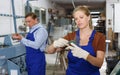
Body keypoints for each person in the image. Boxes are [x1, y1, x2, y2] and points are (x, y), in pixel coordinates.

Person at [47, 5, 106, 75]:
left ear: (88, 17)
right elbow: (49, 51)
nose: (78, 21)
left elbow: (99, 63)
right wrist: (55, 44)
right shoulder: (72, 36)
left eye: (81, 17)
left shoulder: (99, 37)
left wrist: (86, 56)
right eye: (76, 19)